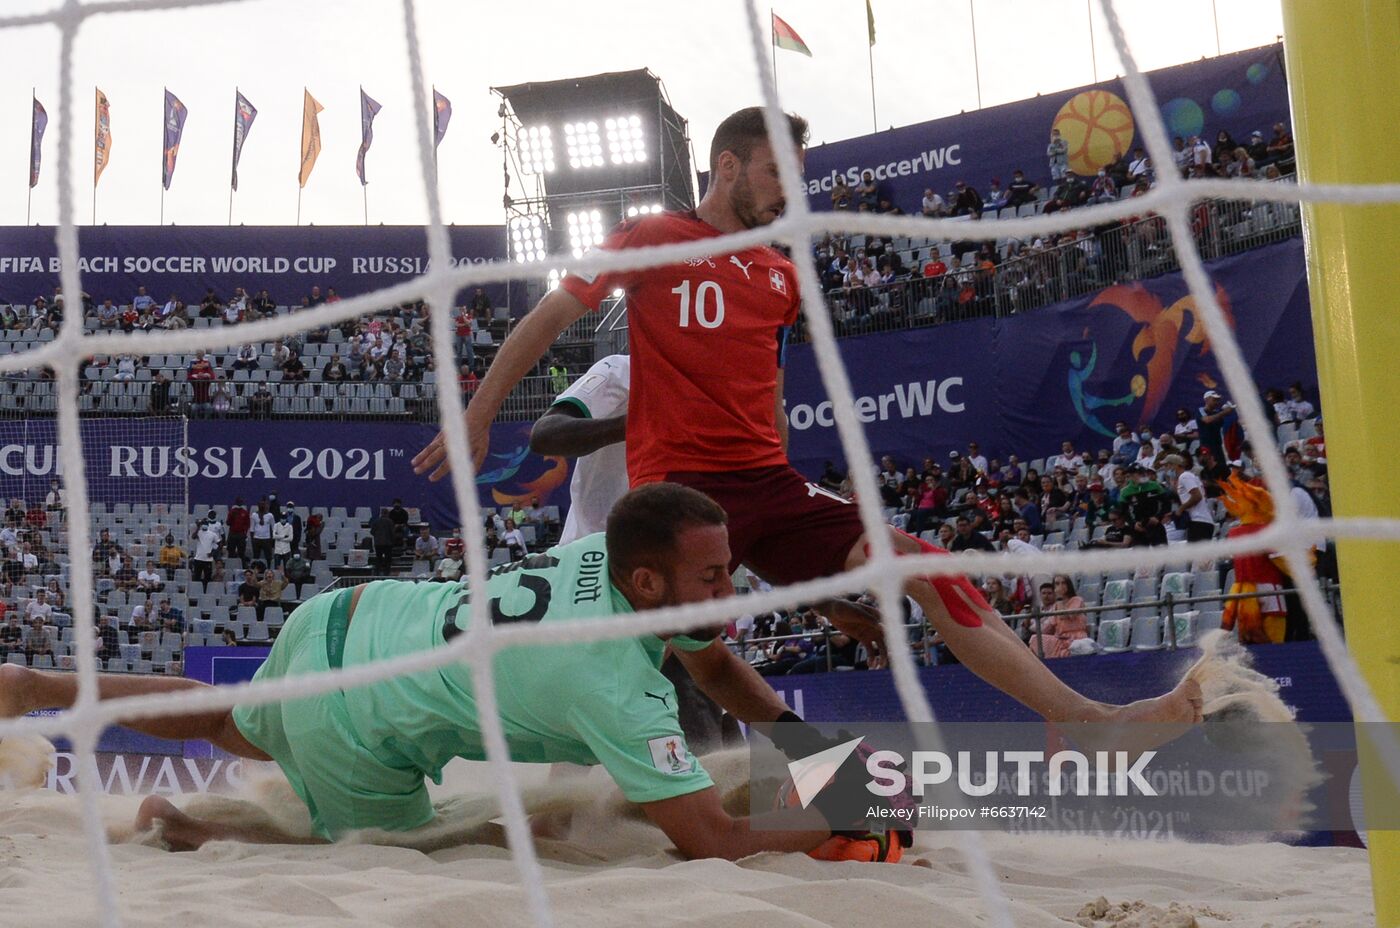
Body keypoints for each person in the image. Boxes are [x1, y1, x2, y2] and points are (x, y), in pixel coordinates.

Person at [415, 106, 1203, 739]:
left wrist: (818, 584)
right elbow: (551, 317)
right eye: (774, 172)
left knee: (925, 567)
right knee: (689, 664)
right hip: (676, 492)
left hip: (768, 483)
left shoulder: (783, 272)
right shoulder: (651, 237)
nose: (789, 189)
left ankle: (1085, 719)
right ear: (728, 167)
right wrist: (477, 414)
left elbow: (772, 407)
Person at [4, 485, 910, 863]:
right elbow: (708, 842)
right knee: (425, 844)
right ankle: (187, 828)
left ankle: (40, 688)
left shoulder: (605, 549)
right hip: (355, 727)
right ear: (647, 581)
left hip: (354, 615)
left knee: (225, 717)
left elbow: (712, 665)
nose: (730, 589)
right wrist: (839, 818)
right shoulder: (614, 687)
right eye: (713, 576)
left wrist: (812, 754)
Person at [529, 354, 630, 544]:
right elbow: (544, 435)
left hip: (666, 552)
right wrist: (633, 425)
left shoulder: (701, 388)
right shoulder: (621, 370)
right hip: (592, 548)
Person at [1030, 575, 1090, 659]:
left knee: (1072, 648)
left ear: (1068, 585)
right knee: (1035, 639)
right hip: (1060, 639)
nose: (1060, 586)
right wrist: (1031, 621)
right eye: (1057, 584)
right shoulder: (1056, 605)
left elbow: (1064, 615)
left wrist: (1059, 598)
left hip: (1076, 639)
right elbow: (1046, 628)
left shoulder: (1077, 600)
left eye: (1063, 583)